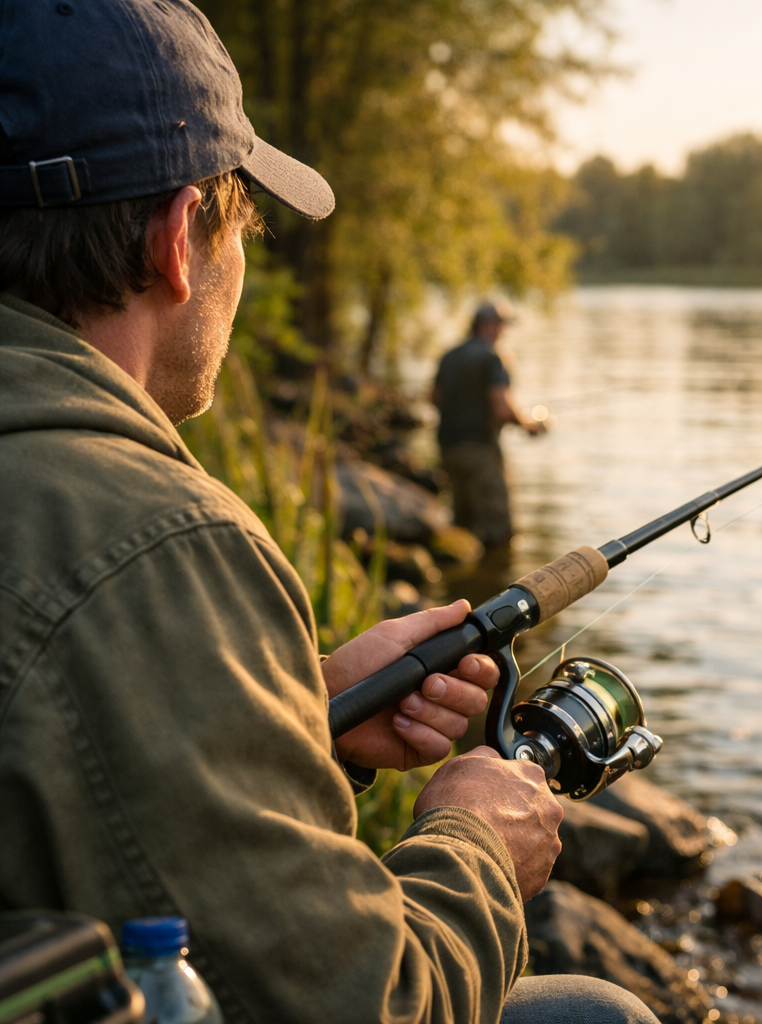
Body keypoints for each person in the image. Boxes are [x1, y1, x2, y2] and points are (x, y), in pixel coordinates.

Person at [0, 4, 657, 1024]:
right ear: (181, 241)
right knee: (592, 1015)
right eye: (242, 230)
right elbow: (360, 1004)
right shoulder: (147, 539)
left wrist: (295, 716)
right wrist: (476, 841)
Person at [433, 301, 545, 548]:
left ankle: (464, 578)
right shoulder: (493, 357)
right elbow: (501, 405)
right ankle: (501, 581)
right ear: (489, 325)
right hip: (480, 448)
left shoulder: (450, 355)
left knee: (464, 519)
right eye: (501, 325)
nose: (503, 332)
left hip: (448, 446)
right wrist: (530, 425)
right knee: (498, 527)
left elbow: (435, 398)